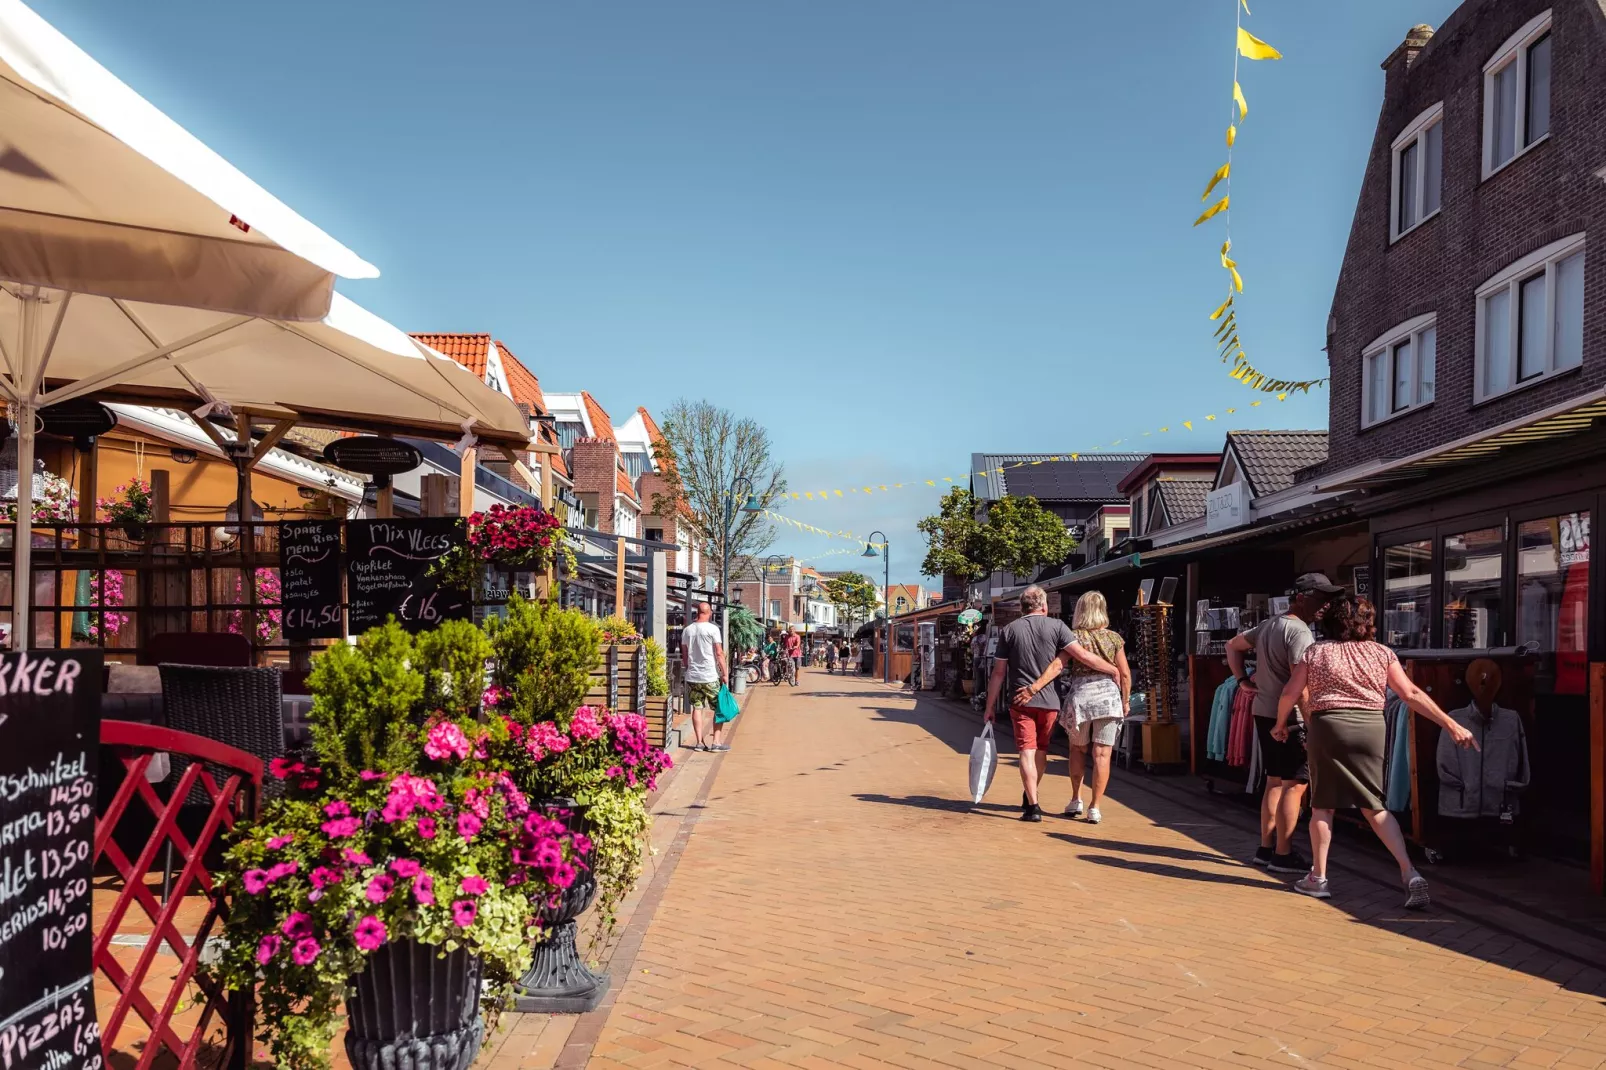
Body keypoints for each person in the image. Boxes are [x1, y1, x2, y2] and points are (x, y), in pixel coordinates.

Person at [1274, 594, 1478, 907]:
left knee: (1323, 806)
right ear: (1367, 623)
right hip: (1371, 726)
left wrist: (1279, 723)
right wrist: (1451, 724)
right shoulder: (1383, 653)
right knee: (1373, 804)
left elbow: (1291, 691)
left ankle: (1319, 877)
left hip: (1328, 725)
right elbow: (1409, 693)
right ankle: (1409, 872)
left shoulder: (1316, 651)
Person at [1226, 573, 1341, 873]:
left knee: (1275, 781)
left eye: (1328, 600)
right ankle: (1283, 853)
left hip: (1264, 712)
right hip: (1290, 718)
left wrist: (1242, 681)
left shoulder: (1269, 625)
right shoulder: (1300, 632)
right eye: (1320, 598)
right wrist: (1312, 724)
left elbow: (1232, 645)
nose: (1325, 606)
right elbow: (1299, 684)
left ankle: (1266, 848)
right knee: (1295, 784)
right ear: (1301, 597)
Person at [986, 585, 1118, 822]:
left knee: (1026, 751)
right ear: (1045, 606)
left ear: (1022, 607)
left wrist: (989, 707)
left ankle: (1032, 804)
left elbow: (998, 673)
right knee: (1041, 751)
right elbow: (1083, 656)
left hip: (1020, 700)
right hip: (1050, 702)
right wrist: (1113, 669)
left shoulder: (1009, 630)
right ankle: (1032, 794)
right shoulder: (1058, 627)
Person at [1015, 591, 1130, 825]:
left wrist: (1035, 687)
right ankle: (1095, 807)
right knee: (1102, 754)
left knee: (1077, 751)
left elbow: (1058, 665)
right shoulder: (1115, 639)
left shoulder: (1073, 636)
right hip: (1108, 700)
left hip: (1081, 699)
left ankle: (1076, 797)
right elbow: (1125, 673)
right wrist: (1126, 700)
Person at [681, 602, 730, 752]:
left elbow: (684, 654)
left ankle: (699, 743)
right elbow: (719, 653)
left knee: (697, 707)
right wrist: (725, 673)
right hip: (709, 675)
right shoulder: (713, 629)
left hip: (693, 676)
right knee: (718, 708)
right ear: (709, 613)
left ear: (697, 612)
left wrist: (689, 667)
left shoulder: (687, 631)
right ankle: (716, 742)